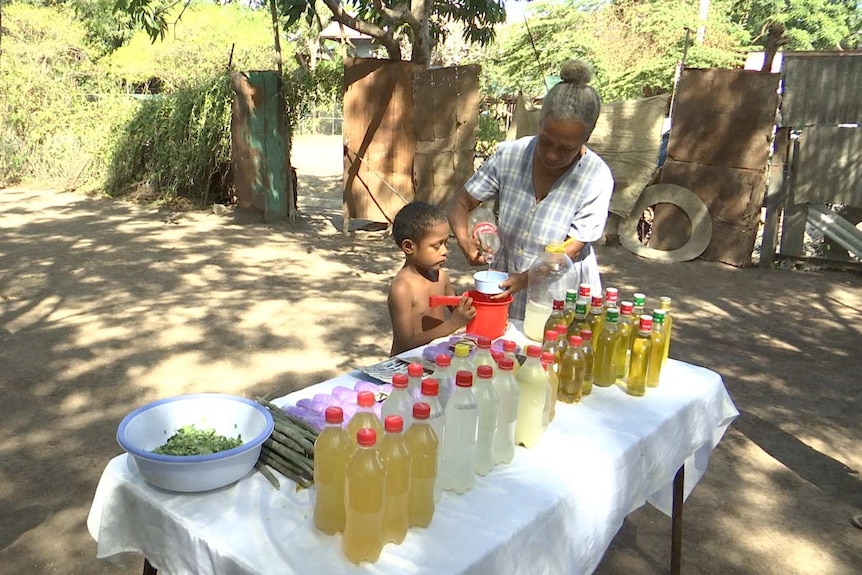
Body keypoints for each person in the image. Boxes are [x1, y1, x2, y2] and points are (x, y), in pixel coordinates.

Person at [448, 59, 614, 320]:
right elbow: (462, 201)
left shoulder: (596, 177)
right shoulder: (510, 155)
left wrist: (526, 278)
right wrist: (465, 241)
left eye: (566, 148)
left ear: (588, 136)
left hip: (561, 294)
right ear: (540, 124)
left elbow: (573, 246)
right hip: (507, 288)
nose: (551, 155)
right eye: (546, 141)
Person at [388, 201, 476, 356]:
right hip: (406, 364)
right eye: (436, 245)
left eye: (446, 243)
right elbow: (406, 343)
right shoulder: (403, 288)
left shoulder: (440, 276)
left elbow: (460, 309)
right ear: (409, 247)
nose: (445, 251)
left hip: (435, 358)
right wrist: (453, 324)